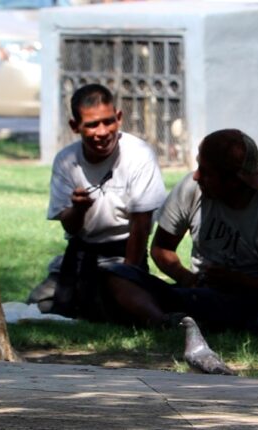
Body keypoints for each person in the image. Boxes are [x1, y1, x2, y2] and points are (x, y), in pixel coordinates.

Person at [103, 129, 258, 334]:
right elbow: (162, 248)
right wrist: (187, 278)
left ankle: (199, 321)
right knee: (118, 275)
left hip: (253, 303)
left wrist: (239, 282)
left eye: (206, 171)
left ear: (234, 181)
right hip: (197, 295)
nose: (197, 176)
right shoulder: (191, 188)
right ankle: (167, 323)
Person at [35, 83, 166, 321]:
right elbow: (71, 227)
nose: (103, 132)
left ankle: (160, 318)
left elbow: (141, 227)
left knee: (115, 302)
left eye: (108, 121)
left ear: (119, 117)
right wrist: (78, 209)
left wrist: (129, 275)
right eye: (92, 125)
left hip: (124, 251)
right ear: (75, 127)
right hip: (81, 250)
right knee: (39, 305)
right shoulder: (66, 160)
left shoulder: (139, 155)